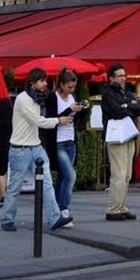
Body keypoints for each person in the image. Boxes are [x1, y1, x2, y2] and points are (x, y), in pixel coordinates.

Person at [0, 68, 73, 233]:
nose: (45, 84)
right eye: (42, 81)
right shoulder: (23, 99)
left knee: (47, 183)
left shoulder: (38, 98)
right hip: (20, 149)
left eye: (45, 81)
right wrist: (58, 121)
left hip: (36, 146)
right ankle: (7, 219)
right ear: (32, 82)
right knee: (14, 187)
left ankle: (54, 218)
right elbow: (38, 120)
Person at [100, 63, 140, 220]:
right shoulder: (108, 93)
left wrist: (127, 106)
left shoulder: (128, 92)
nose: (123, 78)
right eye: (120, 76)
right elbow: (117, 111)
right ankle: (113, 209)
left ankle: (121, 206)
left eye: (124, 75)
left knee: (127, 175)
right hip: (116, 136)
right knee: (118, 173)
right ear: (111, 78)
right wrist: (129, 106)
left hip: (129, 135)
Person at [42, 69, 86, 221]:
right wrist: (69, 109)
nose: (72, 90)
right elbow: (50, 120)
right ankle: (63, 208)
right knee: (70, 175)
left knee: (63, 177)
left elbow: (76, 118)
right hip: (58, 142)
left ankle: (54, 210)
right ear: (61, 84)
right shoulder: (52, 98)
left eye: (73, 87)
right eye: (69, 87)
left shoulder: (73, 96)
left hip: (70, 141)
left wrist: (80, 110)